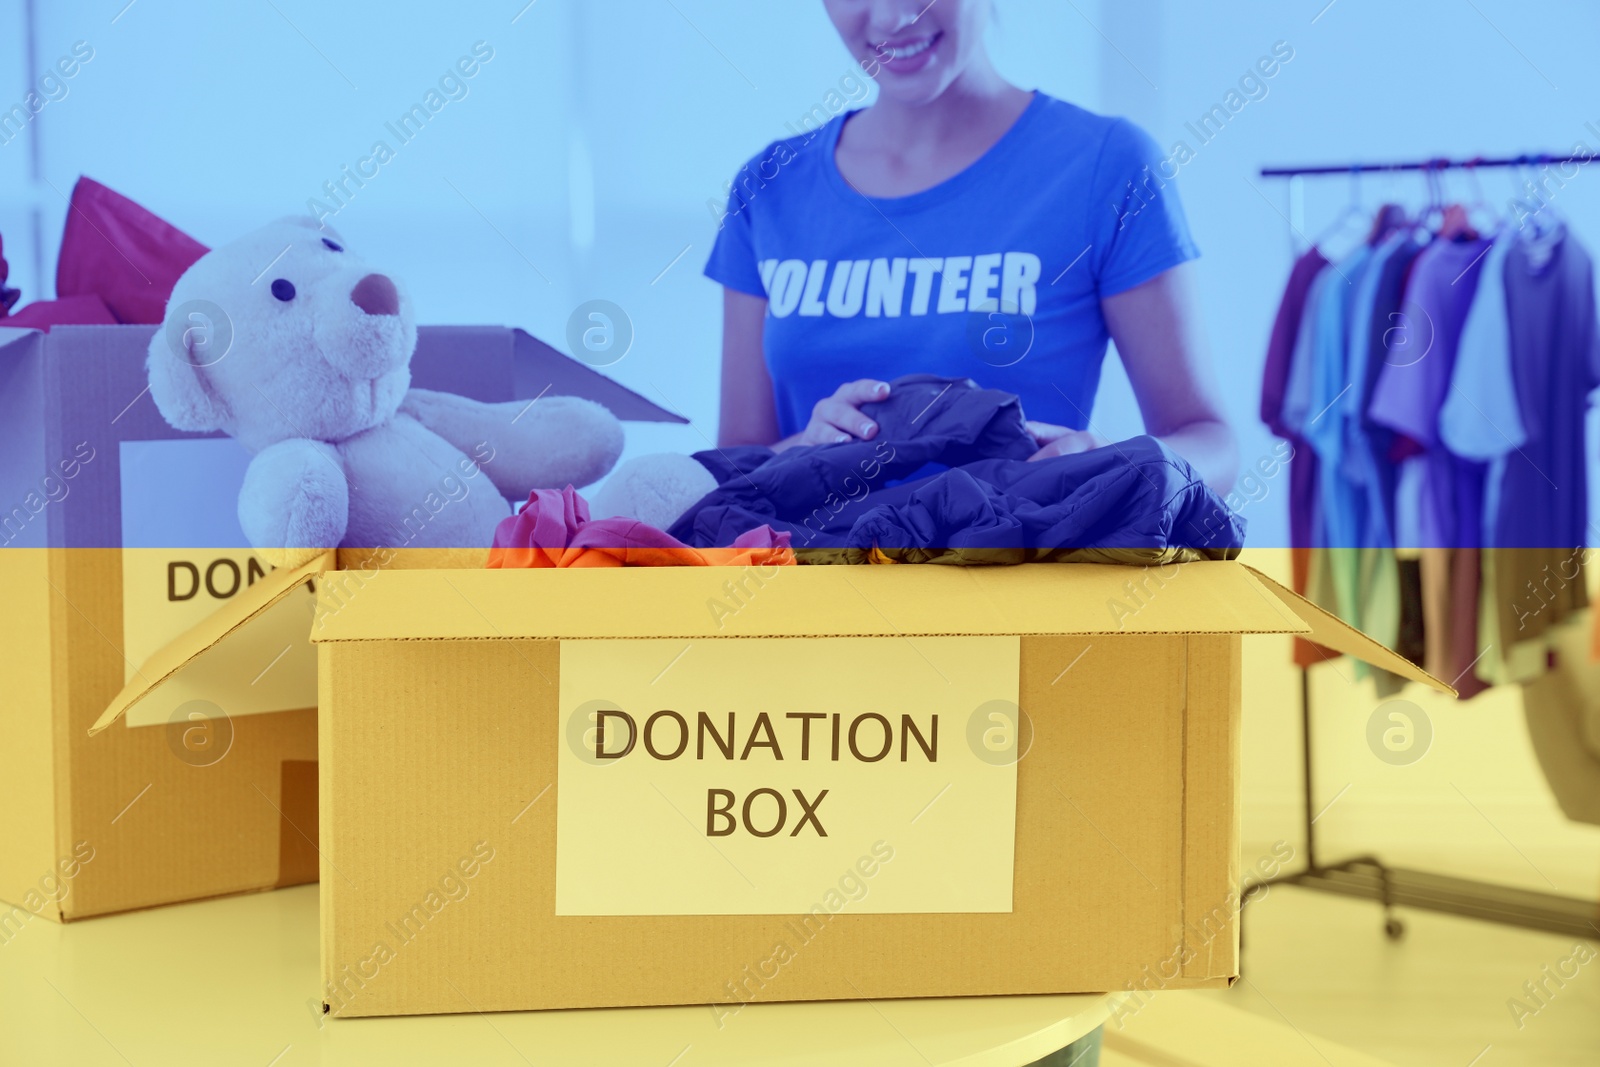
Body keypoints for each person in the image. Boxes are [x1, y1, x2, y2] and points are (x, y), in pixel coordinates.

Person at [708, 0, 1237, 510]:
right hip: (811, 592)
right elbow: (729, 474)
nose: (894, 17)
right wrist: (805, 449)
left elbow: (1213, 446)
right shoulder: (770, 187)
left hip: (1021, 591)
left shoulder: (1108, 165)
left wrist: (1124, 468)